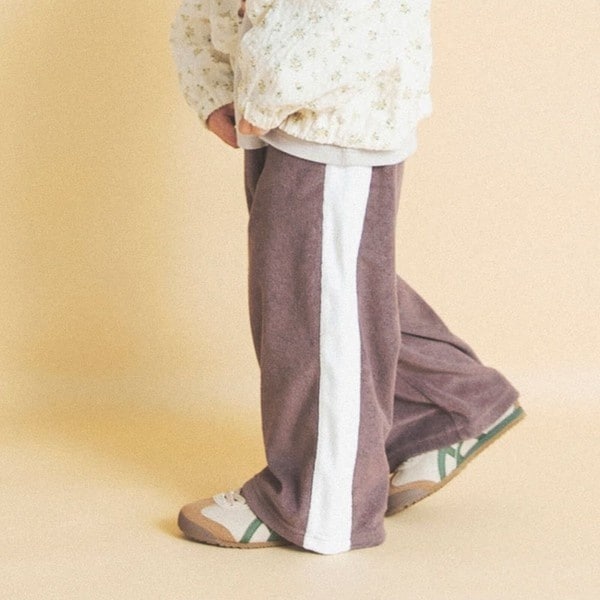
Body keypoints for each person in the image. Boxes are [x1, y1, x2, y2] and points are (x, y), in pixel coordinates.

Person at [169, 0, 524, 555]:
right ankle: (455, 405)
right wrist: (213, 84)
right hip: (275, 113)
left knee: (315, 310)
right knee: (322, 286)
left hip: (333, 115)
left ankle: (319, 506)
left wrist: (263, 96)